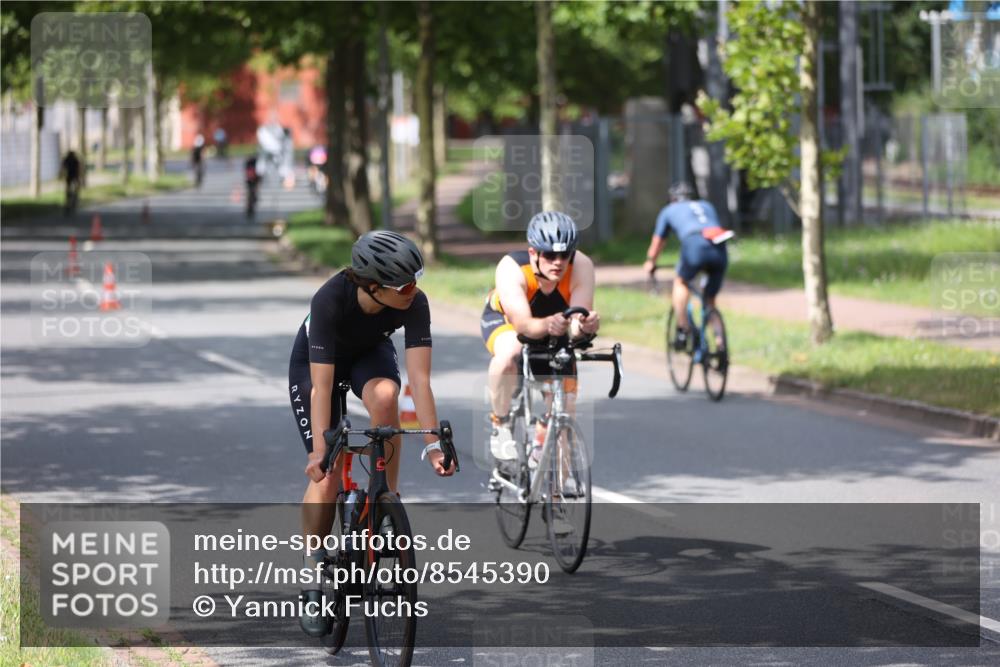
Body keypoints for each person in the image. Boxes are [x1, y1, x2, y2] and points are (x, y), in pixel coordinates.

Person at [288, 230, 455, 634]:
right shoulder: (329, 300)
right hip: (318, 369)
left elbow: (421, 379)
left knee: (386, 398)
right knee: (327, 476)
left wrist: (433, 445)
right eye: (405, 284)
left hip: (368, 354)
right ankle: (312, 573)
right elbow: (323, 388)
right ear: (375, 287)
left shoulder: (414, 302)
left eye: (418, 278)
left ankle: (384, 500)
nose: (415, 289)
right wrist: (317, 453)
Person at [480, 211, 600, 466]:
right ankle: (500, 425)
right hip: (508, 321)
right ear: (534, 252)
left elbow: (576, 327)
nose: (558, 262)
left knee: (565, 411)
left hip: (554, 326)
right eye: (549, 255)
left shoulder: (581, 266)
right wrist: (550, 324)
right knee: (510, 353)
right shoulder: (512, 268)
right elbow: (523, 326)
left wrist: (586, 326)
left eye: (564, 255)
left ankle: (556, 497)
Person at [643, 182, 732, 349]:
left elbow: (658, 242)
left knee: (681, 282)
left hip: (694, 243)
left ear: (672, 199)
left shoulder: (668, 210)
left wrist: (650, 262)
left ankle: (682, 330)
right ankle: (721, 346)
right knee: (710, 301)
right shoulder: (706, 205)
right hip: (719, 245)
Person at [60, 150, 81, 216]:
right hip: (74, 176)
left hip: (70, 176)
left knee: (70, 190)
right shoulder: (75, 159)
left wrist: (61, 174)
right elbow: (78, 169)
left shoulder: (68, 159)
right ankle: (72, 202)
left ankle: (70, 202)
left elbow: (63, 168)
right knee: (74, 190)